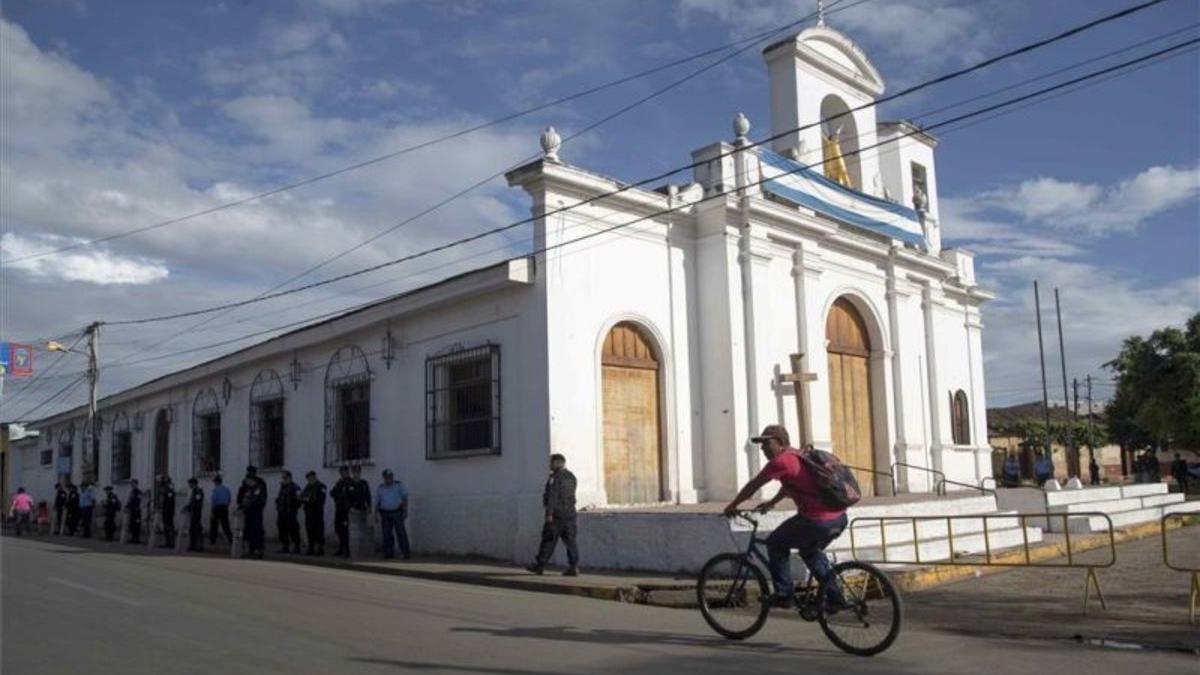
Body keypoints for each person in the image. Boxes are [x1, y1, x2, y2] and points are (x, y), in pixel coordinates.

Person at [722, 426, 847, 609]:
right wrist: (772, 502)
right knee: (809, 551)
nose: (763, 448)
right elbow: (791, 483)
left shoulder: (780, 461)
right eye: (761, 444)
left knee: (775, 543)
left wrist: (732, 505)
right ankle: (835, 597)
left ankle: (783, 594)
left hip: (816, 520)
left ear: (780, 443)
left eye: (767, 443)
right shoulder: (798, 456)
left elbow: (753, 485)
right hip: (838, 518)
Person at [527, 453, 579, 576]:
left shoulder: (555, 478)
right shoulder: (572, 477)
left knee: (548, 539)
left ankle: (540, 566)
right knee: (571, 541)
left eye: (551, 462)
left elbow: (552, 496)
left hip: (556, 514)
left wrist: (549, 513)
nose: (549, 465)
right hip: (570, 514)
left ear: (556, 463)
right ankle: (574, 566)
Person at [375, 469, 410, 560]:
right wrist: (376, 514)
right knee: (387, 534)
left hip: (397, 512)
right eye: (387, 478)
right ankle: (388, 553)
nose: (389, 479)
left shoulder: (398, 485)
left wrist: (405, 511)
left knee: (401, 533)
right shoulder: (381, 488)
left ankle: (405, 553)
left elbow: (404, 498)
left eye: (390, 477)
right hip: (385, 513)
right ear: (384, 478)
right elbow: (377, 502)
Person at [238, 468, 267, 559]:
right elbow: (245, 500)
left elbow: (255, 501)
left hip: (256, 513)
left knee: (257, 532)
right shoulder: (250, 489)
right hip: (249, 513)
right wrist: (241, 507)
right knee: (249, 532)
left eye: (248, 481)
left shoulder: (259, 488)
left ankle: (258, 551)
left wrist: (246, 508)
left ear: (252, 480)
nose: (247, 483)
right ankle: (251, 550)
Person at [299, 470, 327, 556]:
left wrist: (309, 500)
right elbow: (302, 496)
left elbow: (321, 499)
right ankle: (311, 548)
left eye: (311, 478)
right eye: (308, 478)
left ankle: (320, 548)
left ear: (314, 477)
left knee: (318, 530)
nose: (309, 480)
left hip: (317, 511)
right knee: (310, 529)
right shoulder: (308, 487)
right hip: (308, 511)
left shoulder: (321, 486)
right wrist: (304, 499)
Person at [275, 470, 302, 554]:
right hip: (282, 512)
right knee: (282, 529)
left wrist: (294, 507)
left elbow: (299, 499)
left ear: (290, 478)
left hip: (290, 512)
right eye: (283, 478)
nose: (283, 479)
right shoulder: (282, 487)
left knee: (293, 530)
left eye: (285, 478)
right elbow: (280, 498)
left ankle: (297, 547)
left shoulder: (295, 487)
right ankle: (285, 546)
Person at [330, 466, 353, 557]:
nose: (342, 474)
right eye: (341, 472)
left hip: (346, 510)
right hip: (339, 509)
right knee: (338, 529)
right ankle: (341, 548)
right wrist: (339, 495)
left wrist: (341, 496)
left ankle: (347, 550)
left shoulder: (350, 483)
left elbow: (350, 495)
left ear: (347, 472)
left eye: (344, 472)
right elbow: (332, 493)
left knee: (345, 531)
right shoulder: (339, 482)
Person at [209, 474, 233, 546]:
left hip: (217, 508)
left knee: (214, 525)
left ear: (216, 482)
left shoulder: (215, 489)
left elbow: (214, 500)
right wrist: (226, 506)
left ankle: (213, 540)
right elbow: (229, 499)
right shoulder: (226, 489)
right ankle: (230, 539)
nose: (214, 483)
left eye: (214, 482)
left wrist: (212, 510)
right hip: (224, 508)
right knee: (225, 524)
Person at [183, 478, 204, 552]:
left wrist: (189, 507)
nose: (189, 485)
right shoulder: (194, 491)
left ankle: (197, 546)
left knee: (195, 529)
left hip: (196, 512)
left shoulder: (197, 491)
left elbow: (196, 502)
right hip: (194, 511)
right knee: (193, 529)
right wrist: (187, 507)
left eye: (190, 484)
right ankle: (193, 545)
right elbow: (193, 501)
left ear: (193, 483)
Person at [158, 476, 177, 548]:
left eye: (164, 484)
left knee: (169, 527)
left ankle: (171, 543)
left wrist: (165, 509)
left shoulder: (170, 491)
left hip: (168, 512)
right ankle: (168, 542)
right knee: (166, 527)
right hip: (166, 511)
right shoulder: (167, 490)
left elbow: (170, 502)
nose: (163, 487)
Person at [126, 479, 143, 543]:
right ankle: (133, 538)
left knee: (137, 524)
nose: (131, 485)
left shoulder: (138, 492)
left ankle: (137, 538)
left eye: (133, 483)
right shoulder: (132, 492)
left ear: (136, 484)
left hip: (137, 510)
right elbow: (130, 500)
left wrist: (133, 506)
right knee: (132, 524)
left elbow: (138, 500)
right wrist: (127, 506)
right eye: (131, 484)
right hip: (132, 510)